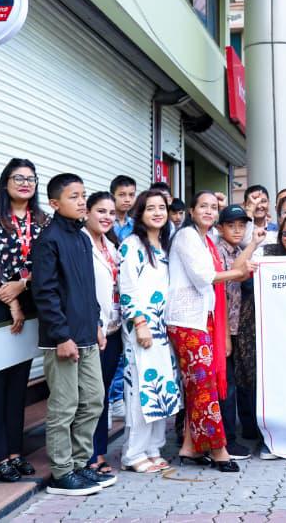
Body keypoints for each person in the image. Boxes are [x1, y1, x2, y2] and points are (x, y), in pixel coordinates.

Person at [30, 173, 112, 497]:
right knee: (64, 406)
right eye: (73, 196)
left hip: (87, 335)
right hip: (62, 340)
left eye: (83, 195)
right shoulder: (48, 241)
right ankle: (62, 473)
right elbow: (45, 293)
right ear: (54, 203)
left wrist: (97, 323)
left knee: (93, 400)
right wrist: (61, 336)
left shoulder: (81, 238)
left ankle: (79, 465)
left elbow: (87, 288)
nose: (81, 201)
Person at [167, 190, 255, 471]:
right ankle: (218, 449)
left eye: (213, 207)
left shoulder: (207, 239)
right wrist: (238, 274)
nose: (208, 211)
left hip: (202, 319)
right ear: (191, 211)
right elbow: (203, 277)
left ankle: (190, 447)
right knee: (204, 387)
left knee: (198, 387)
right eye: (202, 206)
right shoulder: (186, 236)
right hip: (186, 320)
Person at [0, 158, 47, 482]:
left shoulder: (42, 220)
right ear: (6, 182)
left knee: (18, 380)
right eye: (18, 178)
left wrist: (23, 286)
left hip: (28, 302)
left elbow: (46, 261)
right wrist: (13, 302)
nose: (25, 183)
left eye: (30, 179)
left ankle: (15, 451)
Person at [117, 190, 181, 473]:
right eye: (150, 208)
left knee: (162, 389)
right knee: (141, 389)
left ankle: (153, 448)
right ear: (140, 214)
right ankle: (133, 453)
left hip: (164, 328)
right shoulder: (132, 245)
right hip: (142, 326)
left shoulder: (165, 245)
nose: (157, 213)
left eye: (161, 208)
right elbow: (127, 287)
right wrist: (140, 324)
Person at [214, 205, 262, 460]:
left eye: (241, 225)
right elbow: (234, 272)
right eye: (231, 225)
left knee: (232, 384)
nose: (237, 230)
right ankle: (226, 441)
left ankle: (229, 437)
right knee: (226, 386)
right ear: (220, 228)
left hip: (234, 327)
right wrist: (253, 244)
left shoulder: (236, 248)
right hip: (221, 327)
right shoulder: (218, 249)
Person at [83, 192, 123, 476]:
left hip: (115, 329)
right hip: (93, 330)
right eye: (101, 211)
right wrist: (94, 324)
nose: (107, 217)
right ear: (87, 212)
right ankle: (87, 455)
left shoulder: (111, 245)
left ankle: (98, 451)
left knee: (103, 392)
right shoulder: (81, 242)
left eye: (110, 212)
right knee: (90, 394)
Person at [110, 176, 138, 240]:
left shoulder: (135, 225)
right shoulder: (105, 222)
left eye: (131, 195)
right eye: (122, 195)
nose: (127, 200)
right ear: (112, 196)